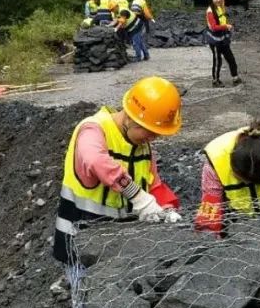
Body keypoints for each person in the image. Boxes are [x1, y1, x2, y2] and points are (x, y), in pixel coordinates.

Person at [51, 77, 183, 283]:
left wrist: (165, 208)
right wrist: (137, 196)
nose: (152, 138)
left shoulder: (142, 146)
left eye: (157, 134)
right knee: (90, 298)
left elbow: (153, 184)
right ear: (130, 117)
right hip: (80, 245)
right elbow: (95, 160)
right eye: (149, 132)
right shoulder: (93, 130)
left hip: (117, 248)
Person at [194, 120, 260, 235]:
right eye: (242, 180)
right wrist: (210, 236)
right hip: (234, 219)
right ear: (233, 166)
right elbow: (212, 203)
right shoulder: (216, 158)